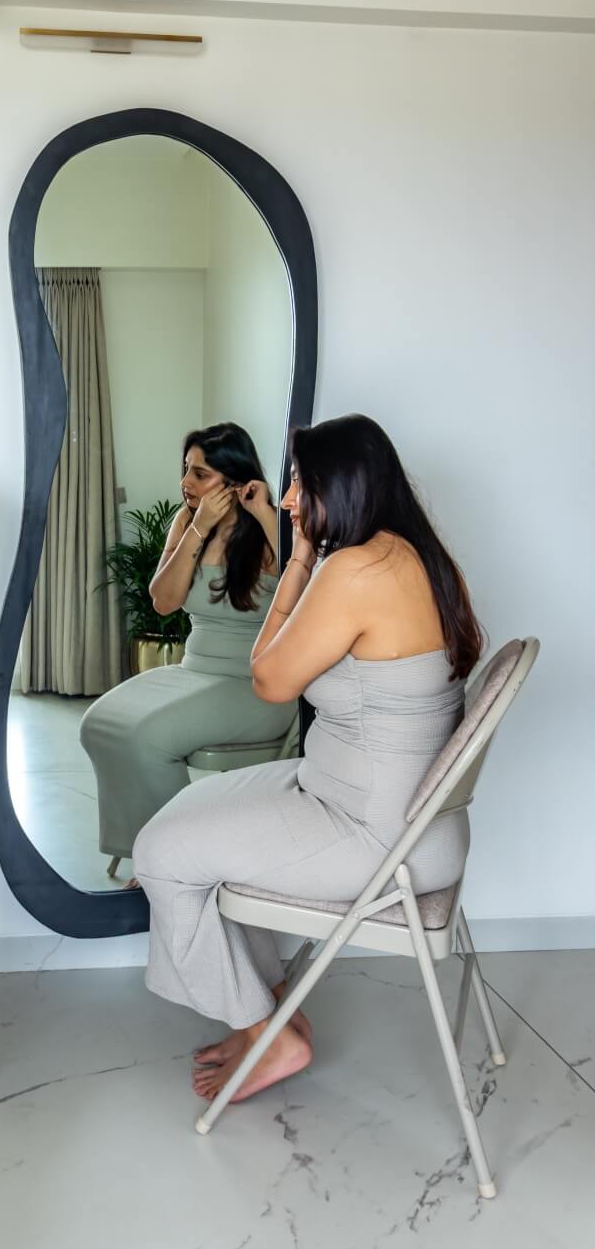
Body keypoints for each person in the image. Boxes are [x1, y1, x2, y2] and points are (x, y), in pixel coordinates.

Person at [132, 414, 483, 1104]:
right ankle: (269, 1007)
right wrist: (305, 555)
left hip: (377, 834)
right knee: (188, 812)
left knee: (159, 854)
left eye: (301, 484)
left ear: (345, 487)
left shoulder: (355, 569)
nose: (289, 499)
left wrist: (298, 560)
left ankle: (267, 1032)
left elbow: (268, 679)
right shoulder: (415, 555)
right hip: (395, 812)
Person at [80, 424, 298, 882]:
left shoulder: (271, 528)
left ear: (234, 480)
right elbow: (164, 601)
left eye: (200, 474)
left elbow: (305, 590)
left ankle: (176, 862)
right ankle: (147, 849)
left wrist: (264, 514)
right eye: (186, 470)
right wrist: (196, 530)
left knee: (146, 735)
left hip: (254, 686)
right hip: (194, 670)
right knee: (99, 724)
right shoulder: (186, 522)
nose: (186, 482)